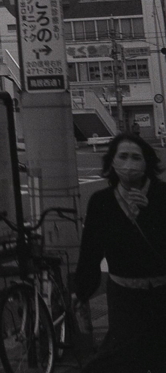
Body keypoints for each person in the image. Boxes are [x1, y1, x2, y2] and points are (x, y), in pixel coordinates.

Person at [74, 133, 166, 373]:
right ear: (112, 162)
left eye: (136, 157)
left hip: (161, 295)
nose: (129, 164)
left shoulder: (162, 195)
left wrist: (150, 215)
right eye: (122, 156)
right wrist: (82, 290)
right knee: (122, 358)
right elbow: (91, 250)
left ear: (147, 162)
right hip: (124, 297)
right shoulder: (101, 201)